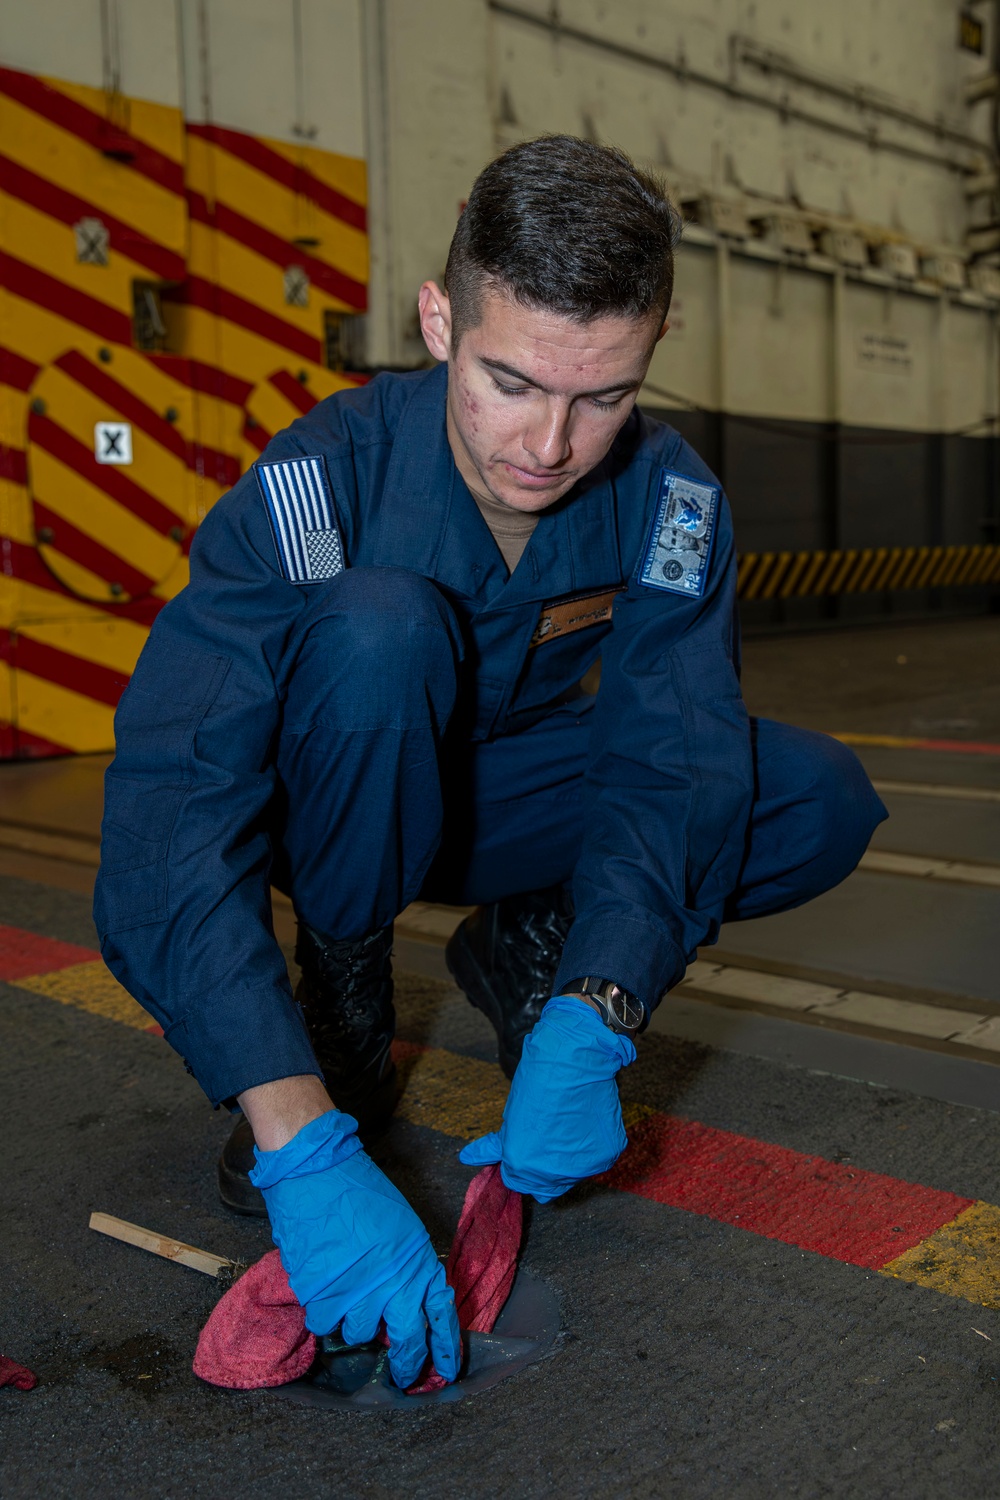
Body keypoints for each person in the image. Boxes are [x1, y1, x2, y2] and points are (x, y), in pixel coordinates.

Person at [95, 135, 886, 1390]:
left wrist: (604, 998)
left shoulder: (670, 498)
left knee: (809, 797)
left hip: (500, 798)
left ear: (655, 343)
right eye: (510, 381)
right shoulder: (321, 481)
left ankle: (534, 946)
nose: (551, 445)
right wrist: (290, 1124)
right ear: (437, 323)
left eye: (603, 396)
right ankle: (342, 1009)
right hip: (329, 810)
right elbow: (173, 801)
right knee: (379, 630)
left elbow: (672, 757)